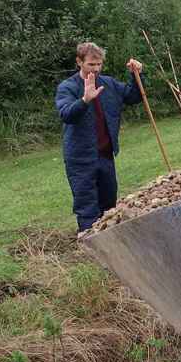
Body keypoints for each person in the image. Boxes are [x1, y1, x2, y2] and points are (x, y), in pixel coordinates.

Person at [55, 42, 144, 233]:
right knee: (86, 206)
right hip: (80, 158)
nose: (95, 69)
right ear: (79, 62)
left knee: (109, 203)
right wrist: (85, 100)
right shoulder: (67, 87)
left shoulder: (108, 84)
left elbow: (134, 97)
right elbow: (66, 114)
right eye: (90, 65)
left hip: (105, 154)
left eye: (98, 65)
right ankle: (90, 245)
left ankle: (111, 242)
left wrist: (136, 75)